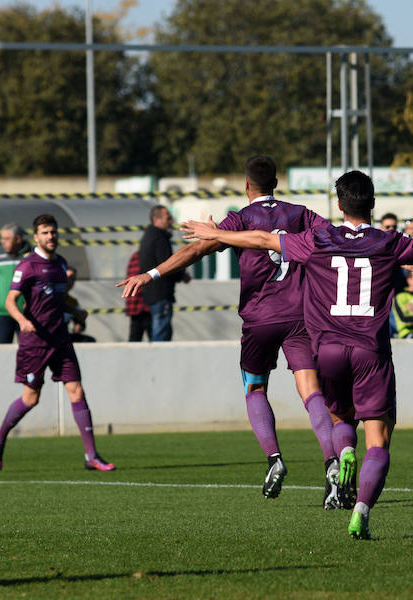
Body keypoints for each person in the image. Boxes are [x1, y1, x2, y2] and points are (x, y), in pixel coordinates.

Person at [181, 169, 413, 539]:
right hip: (370, 350)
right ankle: (362, 510)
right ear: (373, 204)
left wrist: (216, 234)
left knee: (340, 419)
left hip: (328, 351)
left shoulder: (319, 238)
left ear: (339, 205)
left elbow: (263, 240)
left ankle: (343, 450)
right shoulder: (389, 242)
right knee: (380, 438)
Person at [119, 155, 341, 508]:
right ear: (276, 183)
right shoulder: (301, 214)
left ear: (246, 184)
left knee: (254, 387)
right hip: (301, 316)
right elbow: (343, 238)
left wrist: (151, 274)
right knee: (311, 392)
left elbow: (197, 249)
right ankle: (331, 463)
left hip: (259, 319)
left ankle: (274, 458)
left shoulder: (239, 219)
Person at [0, 214, 115, 472]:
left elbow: (60, 298)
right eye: (45, 233)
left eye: (53, 232)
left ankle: (91, 455)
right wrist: (22, 320)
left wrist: (77, 311)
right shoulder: (27, 266)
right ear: (36, 237)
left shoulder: (60, 264)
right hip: (35, 342)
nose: (50, 237)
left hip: (60, 339)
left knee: (76, 391)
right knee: (31, 398)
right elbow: (10, 301)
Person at [139, 205, 191, 341]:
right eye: (168, 218)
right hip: (160, 294)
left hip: (152, 293)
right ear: (156, 219)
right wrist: (181, 275)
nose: (171, 221)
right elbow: (167, 266)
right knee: (161, 335)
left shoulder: (149, 235)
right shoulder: (159, 238)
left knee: (159, 332)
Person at [0, 223, 32, 344]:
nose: (3, 242)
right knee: (0, 349)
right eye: (2, 238)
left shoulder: (32, 256)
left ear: (18, 239)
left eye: (7, 239)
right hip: (3, 313)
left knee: (29, 351)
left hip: (26, 313)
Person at [124, 251, 152, 341]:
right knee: (157, 340)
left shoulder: (135, 256)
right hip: (145, 305)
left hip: (135, 305)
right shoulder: (148, 257)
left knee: (134, 339)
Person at [64, 266, 95, 343]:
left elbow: (80, 321)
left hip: (63, 336)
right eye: (68, 277)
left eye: (73, 279)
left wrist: (79, 324)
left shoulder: (73, 302)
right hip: (46, 336)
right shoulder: (49, 297)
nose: (70, 281)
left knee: (89, 341)